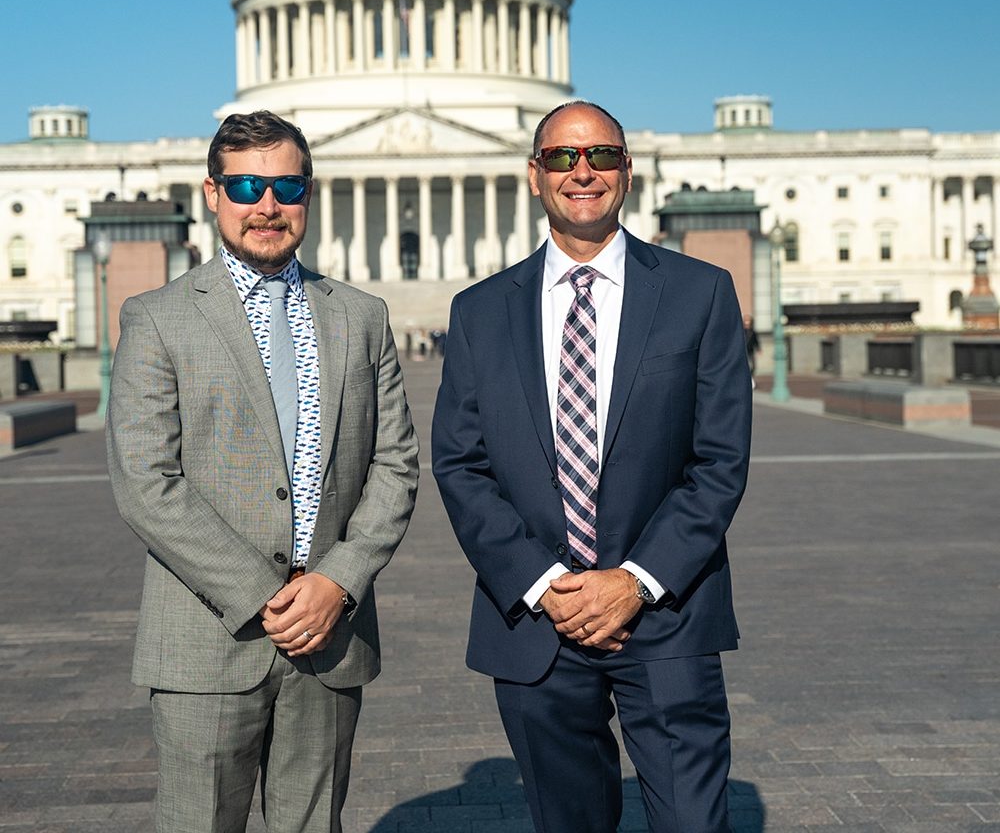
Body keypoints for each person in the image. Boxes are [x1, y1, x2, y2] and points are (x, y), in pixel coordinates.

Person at [431, 100, 752, 833]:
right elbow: (459, 463)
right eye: (563, 158)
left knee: (694, 823)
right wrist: (550, 587)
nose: (584, 172)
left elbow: (720, 460)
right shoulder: (479, 310)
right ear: (534, 176)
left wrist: (634, 581)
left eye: (602, 156)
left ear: (628, 172)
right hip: (536, 621)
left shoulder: (699, 293)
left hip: (669, 613)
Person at [107, 110, 418, 833]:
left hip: (331, 635)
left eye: (287, 186)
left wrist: (336, 582)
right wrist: (268, 597)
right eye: (247, 185)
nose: (268, 206)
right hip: (208, 637)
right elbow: (146, 483)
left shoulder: (362, 315)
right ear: (212, 194)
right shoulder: (158, 316)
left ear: (310, 194)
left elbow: (396, 463)